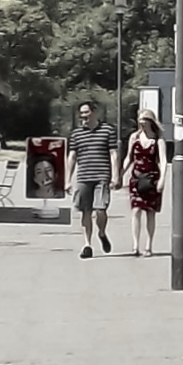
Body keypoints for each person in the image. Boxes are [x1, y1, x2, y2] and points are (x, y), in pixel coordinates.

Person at [67, 100, 116, 258]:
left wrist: (116, 175)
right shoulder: (76, 134)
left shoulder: (107, 130)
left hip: (102, 176)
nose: (83, 116)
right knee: (85, 211)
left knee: (101, 209)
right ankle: (87, 245)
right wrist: (68, 180)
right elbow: (72, 156)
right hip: (84, 177)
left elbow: (113, 154)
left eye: (86, 112)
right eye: (81, 113)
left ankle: (101, 232)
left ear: (94, 112)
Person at [120, 108, 165, 257]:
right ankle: (135, 245)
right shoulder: (134, 138)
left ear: (151, 121)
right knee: (136, 210)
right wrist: (120, 175)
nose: (142, 122)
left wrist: (162, 180)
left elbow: (163, 161)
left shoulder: (158, 140)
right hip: (136, 179)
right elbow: (129, 158)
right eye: (140, 119)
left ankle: (149, 245)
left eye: (144, 119)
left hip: (152, 179)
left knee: (150, 212)